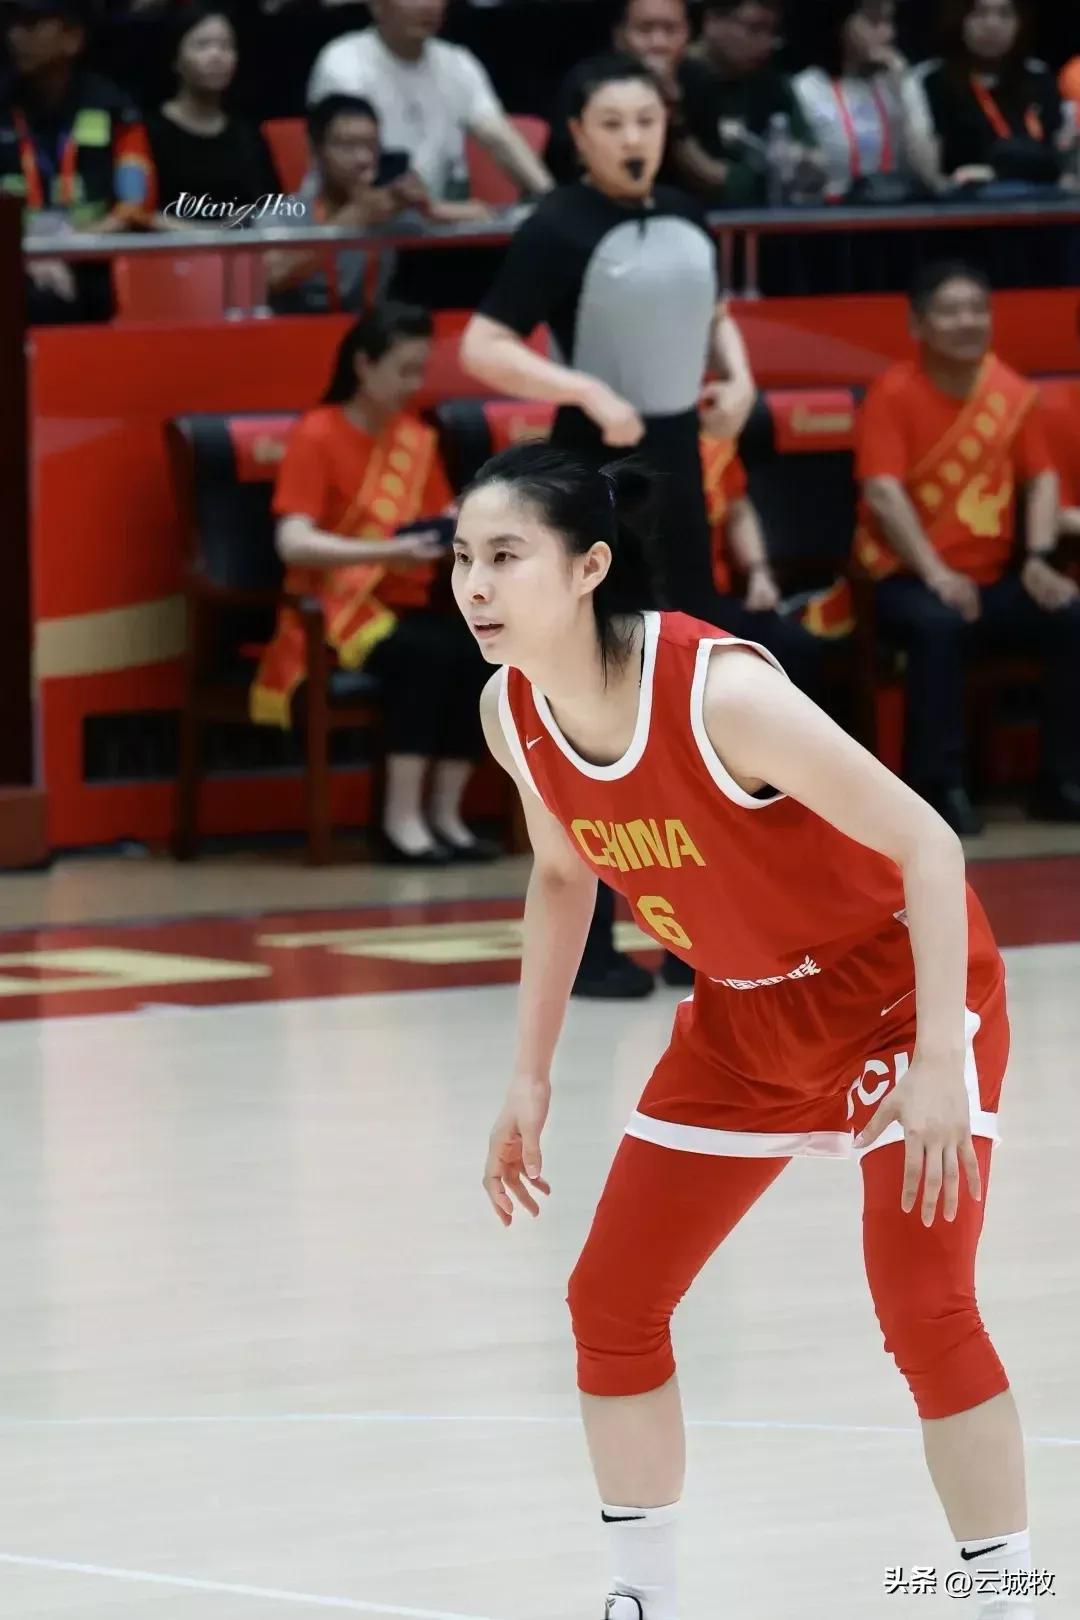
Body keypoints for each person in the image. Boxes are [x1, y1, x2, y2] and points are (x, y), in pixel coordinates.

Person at [452, 440, 1037, 1620]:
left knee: (923, 1303)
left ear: (589, 567)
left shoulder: (718, 695)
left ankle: (1008, 1597)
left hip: (897, 996)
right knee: (611, 1302)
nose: (474, 585)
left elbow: (929, 846)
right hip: (742, 1015)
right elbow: (563, 876)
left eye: (506, 556)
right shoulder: (512, 711)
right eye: (462, 556)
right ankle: (644, 1599)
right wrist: (528, 1074)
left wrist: (939, 1058)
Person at [460, 52, 756, 998]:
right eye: (613, 124)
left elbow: (711, 309)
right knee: (591, 702)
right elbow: (482, 345)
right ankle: (586, 943)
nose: (634, 139)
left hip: (679, 476)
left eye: (647, 121)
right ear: (578, 136)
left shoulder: (690, 214)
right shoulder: (557, 225)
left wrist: (739, 376)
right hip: (590, 482)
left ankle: (696, 935)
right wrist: (583, 389)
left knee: (691, 702)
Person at [252, 304, 498, 865]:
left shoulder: (416, 440)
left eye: (419, 371)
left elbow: (441, 523)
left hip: (408, 603)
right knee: (424, 656)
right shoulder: (317, 433)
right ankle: (400, 822)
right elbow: (293, 541)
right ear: (363, 365)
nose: (413, 384)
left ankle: (446, 816)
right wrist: (386, 551)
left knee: (479, 650)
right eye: (402, 370)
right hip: (335, 609)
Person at [856, 260, 1080, 834]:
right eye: (951, 311)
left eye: (978, 309)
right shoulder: (892, 394)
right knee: (940, 625)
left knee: (1068, 614)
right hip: (906, 579)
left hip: (992, 577)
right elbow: (883, 493)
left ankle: (1062, 781)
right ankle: (939, 788)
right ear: (918, 325)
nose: (968, 322)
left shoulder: (1010, 392)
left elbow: (1042, 479)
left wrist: (1037, 560)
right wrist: (936, 574)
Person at [305, 0, 553, 207]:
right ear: (376, 5)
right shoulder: (343, 63)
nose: (429, 6)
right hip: (347, 223)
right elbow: (351, 176)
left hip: (427, 224)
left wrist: (551, 198)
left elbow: (500, 138)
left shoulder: (458, 63)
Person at [0, 0, 155, 323]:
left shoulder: (114, 108)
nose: (15, 35)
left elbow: (136, 206)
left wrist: (69, 246)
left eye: (31, 24)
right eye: (13, 23)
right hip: (13, 265)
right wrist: (26, 255)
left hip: (93, 263)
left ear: (73, 38)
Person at [700, 427, 824, 696]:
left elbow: (738, 510)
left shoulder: (713, 444)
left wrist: (759, 573)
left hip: (717, 596)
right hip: (663, 603)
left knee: (797, 647)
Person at [905, 0, 1067, 193]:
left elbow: (1061, 158)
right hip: (964, 203)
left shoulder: (1039, 77)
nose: (992, 25)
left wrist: (995, 173)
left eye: (1005, 14)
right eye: (980, 13)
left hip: (1043, 200)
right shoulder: (930, 81)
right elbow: (929, 176)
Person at [677, 0, 822, 206]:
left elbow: (811, 161)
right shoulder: (676, 83)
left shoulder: (771, 82)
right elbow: (702, 175)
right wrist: (756, 181)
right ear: (713, 21)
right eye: (756, 28)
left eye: (773, 32)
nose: (767, 43)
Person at [146, 4, 279, 224]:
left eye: (226, 46)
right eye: (202, 45)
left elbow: (272, 206)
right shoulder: (149, 130)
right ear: (175, 58)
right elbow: (142, 213)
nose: (216, 56)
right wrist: (210, 233)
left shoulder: (247, 133)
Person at [792, 0, 932, 199]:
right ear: (841, 24)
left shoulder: (900, 82)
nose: (888, 34)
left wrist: (903, 93)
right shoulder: (807, 88)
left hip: (898, 205)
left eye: (889, 22)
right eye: (874, 21)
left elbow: (929, 175)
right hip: (832, 209)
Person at [544, 0, 691, 187]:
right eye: (644, 30)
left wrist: (676, 114)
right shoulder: (588, 81)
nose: (658, 43)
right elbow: (564, 162)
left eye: (670, 30)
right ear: (619, 35)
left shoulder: (697, 79)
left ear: (688, 32)